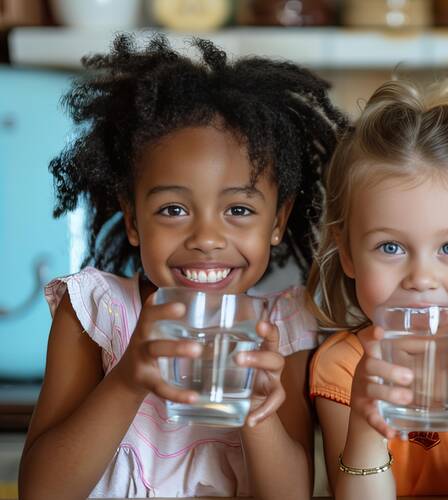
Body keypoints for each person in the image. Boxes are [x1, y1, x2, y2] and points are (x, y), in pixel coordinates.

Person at [18, 34, 347, 499]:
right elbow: (41, 492)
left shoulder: (283, 330)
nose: (207, 239)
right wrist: (129, 378)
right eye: (174, 210)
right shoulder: (96, 313)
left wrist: (258, 412)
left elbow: (289, 494)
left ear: (279, 221)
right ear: (133, 220)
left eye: (239, 210)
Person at [306, 75, 448, 499]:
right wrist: (363, 422)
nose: (421, 279)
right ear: (347, 253)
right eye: (390, 246)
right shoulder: (342, 363)